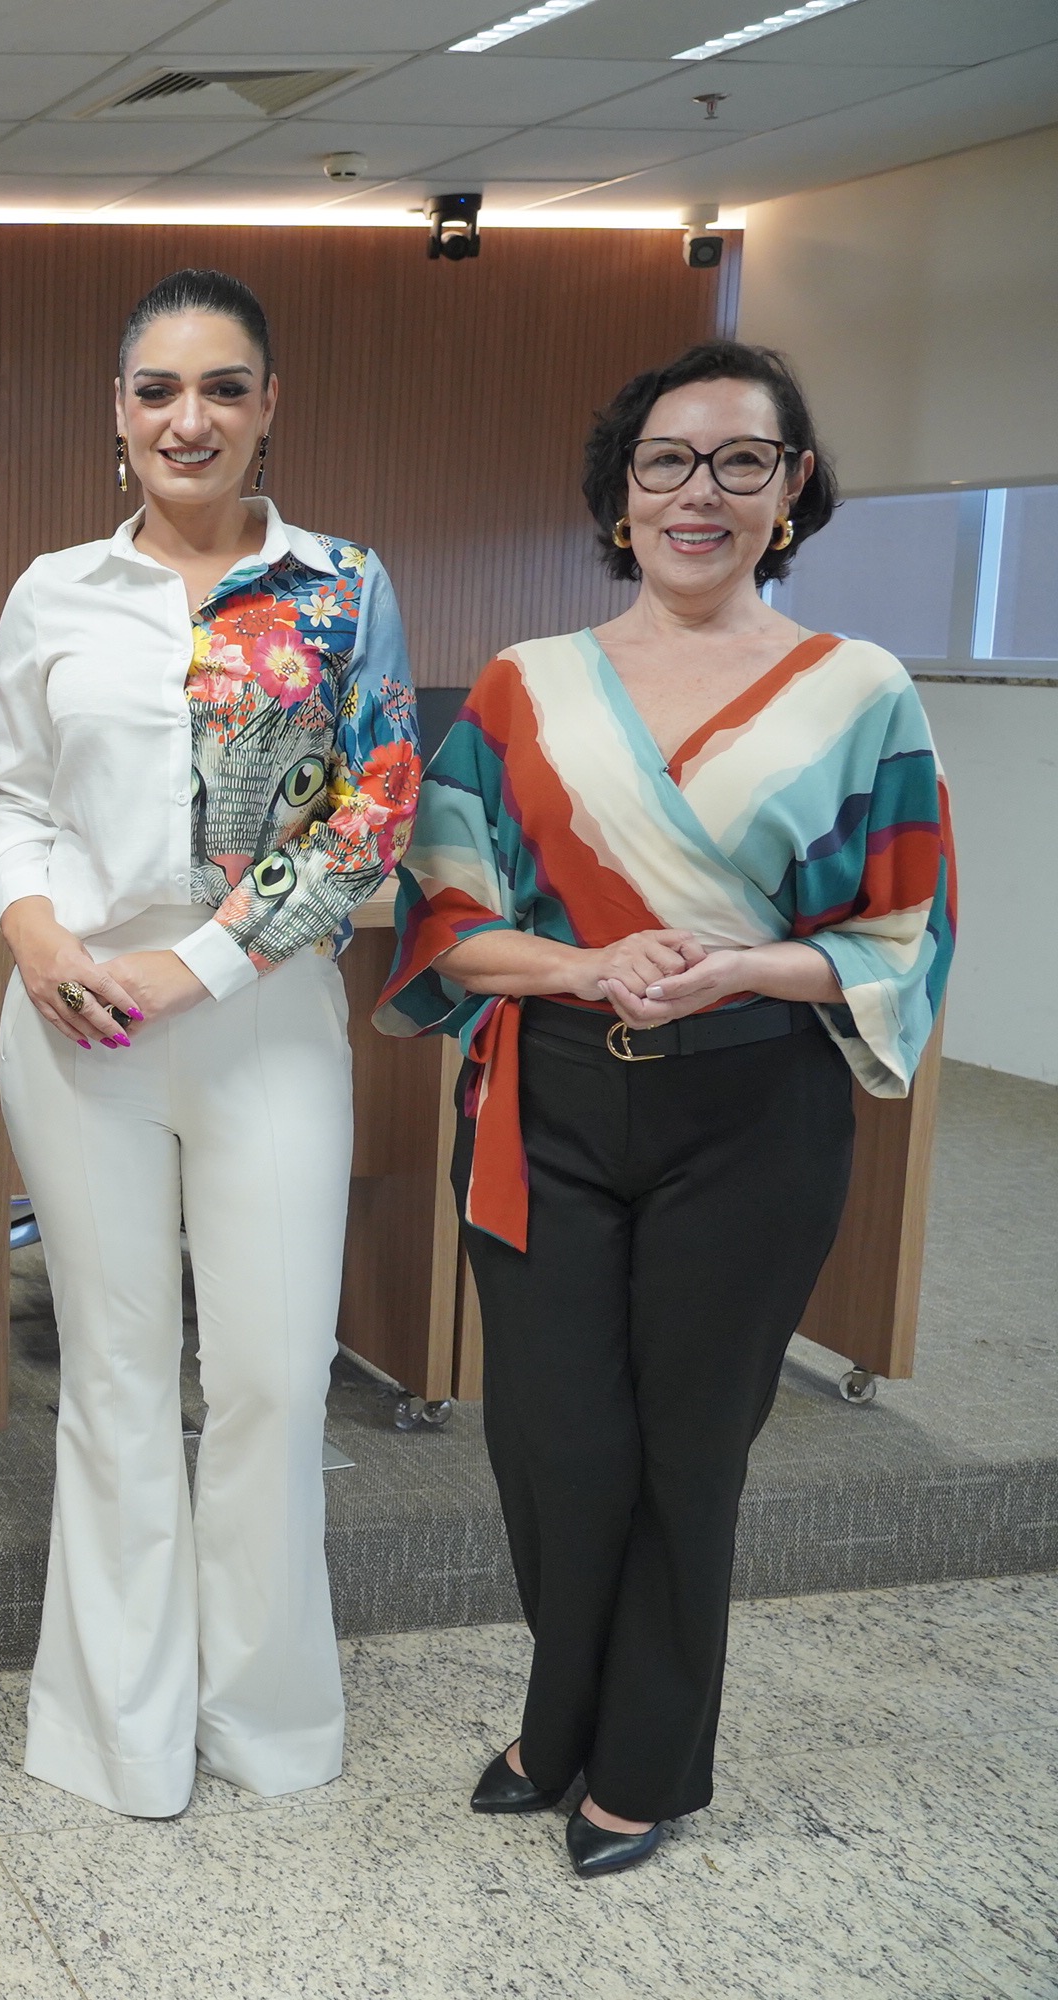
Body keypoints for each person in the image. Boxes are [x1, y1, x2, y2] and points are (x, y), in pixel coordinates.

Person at [378, 340, 954, 1877]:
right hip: (545, 1109)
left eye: (741, 461)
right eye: (667, 462)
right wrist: (584, 965)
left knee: (689, 1455)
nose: (701, 493)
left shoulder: (860, 693)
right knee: (555, 1450)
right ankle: (556, 1717)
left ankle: (641, 1765)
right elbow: (445, 924)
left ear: (792, 489)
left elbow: (900, 937)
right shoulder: (527, 687)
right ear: (619, 495)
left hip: (754, 1112)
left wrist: (739, 966)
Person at [0, 269, 419, 1820]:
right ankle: (120, 1733)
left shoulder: (341, 584)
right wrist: (36, 934)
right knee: (110, 1377)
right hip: (74, 1015)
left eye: (224, 387)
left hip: (261, 1017)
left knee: (273, 1382)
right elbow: (11, 799)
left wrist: (199, 964)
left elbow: (371, 815)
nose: (190, 418)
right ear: (117, 411)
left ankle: (267, 1719)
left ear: (269, 405)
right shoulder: (56, 591)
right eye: (158, 389)